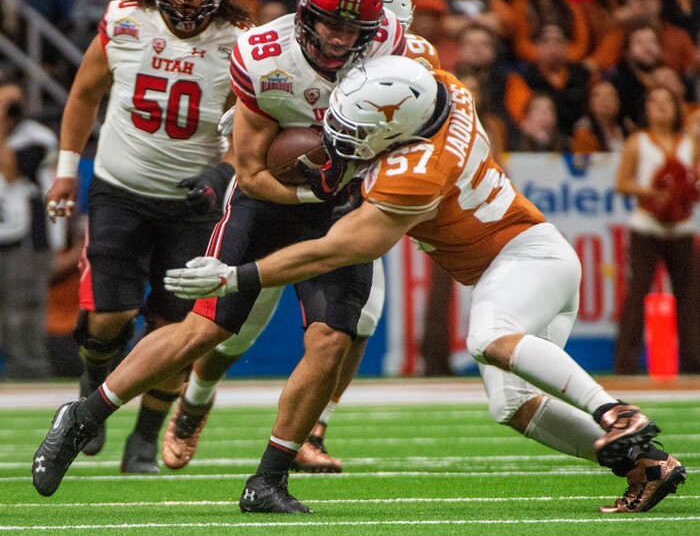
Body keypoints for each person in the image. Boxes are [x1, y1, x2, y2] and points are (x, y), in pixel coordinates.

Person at [163, 55, 687, 514]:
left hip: (526, 258)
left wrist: (237, 276)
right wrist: (264, 105)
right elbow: (397, 58)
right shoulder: (442, 90)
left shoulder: (416, 172)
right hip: (522, 263)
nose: (341, 138)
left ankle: (614, 411)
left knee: (488, 336)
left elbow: (333, 249)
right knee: (511, 404)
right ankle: (647, 464)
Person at [32, 0, 406, 512]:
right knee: (204, 329)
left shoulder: (391, 48)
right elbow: (252, 174)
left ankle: (268, 481)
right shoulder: (263, 54)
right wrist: (318, 188)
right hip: (269, 202)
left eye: (353, 27)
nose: (339, 37)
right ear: (306, 13)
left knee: (333, 337)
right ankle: (83, 416)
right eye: (330, 22)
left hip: (341, 205)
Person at [160, 0, 441, 476]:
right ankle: (196, 398)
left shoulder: (405, 59)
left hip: (351, 203)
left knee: (356, 322)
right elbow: (250, 150)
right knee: (236, 331)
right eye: (344, 25)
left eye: (369, 29)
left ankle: (313, 429)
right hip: (283, 198)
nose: (354, 42)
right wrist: (234, 171)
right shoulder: (278, 57)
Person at [42, 0, 249, 473]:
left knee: (177, 331)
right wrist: (66, 171)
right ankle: (93, 384)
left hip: (194, 205)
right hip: (121, 191)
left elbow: (250, 133)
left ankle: (144, 439)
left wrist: (221, 173)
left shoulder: (242, 42)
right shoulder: (126, 21)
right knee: (109, 315)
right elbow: (84, 93)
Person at [614, 85, 700, 374]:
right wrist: (652, 193)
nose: (661, 106)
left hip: (682, 227)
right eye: (655, 101)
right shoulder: (638, 142)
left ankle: (693, 361)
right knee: (637, 293)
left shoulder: (689, 142)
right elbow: (622, 183)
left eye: (667, 101)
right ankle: (626, 365)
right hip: (646, 226)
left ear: (677, 108)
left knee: (690, 296)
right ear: (647, 109)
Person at [0, 83, 56, 379]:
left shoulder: (37, 136)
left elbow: (12, 173)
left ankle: (30, 368)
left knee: (23, 305)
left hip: (27, 236)